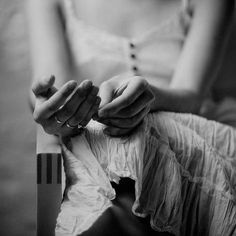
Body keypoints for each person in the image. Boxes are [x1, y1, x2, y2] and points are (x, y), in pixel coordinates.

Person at [26, 0, 236, 235]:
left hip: (184, 126)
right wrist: (53, 105)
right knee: (98, 160)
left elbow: (190, 96)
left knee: (145, 140)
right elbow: (50, 85)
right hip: (91, 134)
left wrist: (148, 99)